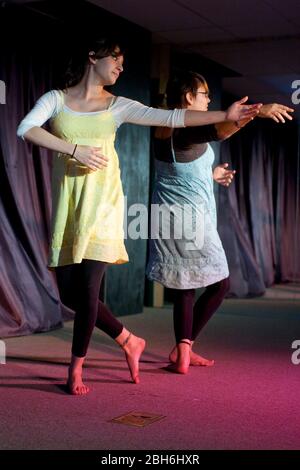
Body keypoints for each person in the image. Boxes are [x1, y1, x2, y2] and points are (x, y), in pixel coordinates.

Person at [17, 37, 261, 395]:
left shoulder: (118, 105)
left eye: (122, 62)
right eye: (115, 59)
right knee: (69, 294)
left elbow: (173, 117)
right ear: (92, 56)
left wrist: (225, 116)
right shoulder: (56, 99)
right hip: (69, 208)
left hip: (105, 207)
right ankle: (128, 338)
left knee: (86, 292)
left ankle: (75, 371)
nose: (121, 67)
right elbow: (26, 129)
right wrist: (74, 149)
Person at [146, 71, 294, 374]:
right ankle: (183, 349)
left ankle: (182, 350)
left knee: (186, 285)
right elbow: (222, 131)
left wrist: (211, 175)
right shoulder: (183, 125)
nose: (209, 99)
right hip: (188, 220)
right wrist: (258, 111)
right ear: (188, 97)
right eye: (204, 94)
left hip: (169, 216)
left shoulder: (165, 126)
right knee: (221, 283)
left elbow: (178, 169)